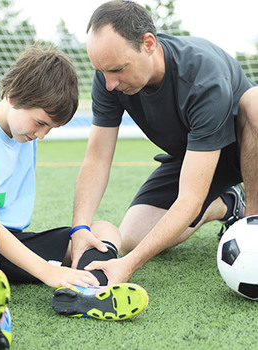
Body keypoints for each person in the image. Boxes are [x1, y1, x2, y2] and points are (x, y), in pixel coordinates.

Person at [0, 45, 148, 350]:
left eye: (50, 127)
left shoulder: (25, 135)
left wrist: (77, 239)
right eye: (41, 123)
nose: (43, 134)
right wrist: (48, 270)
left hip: (7, 244)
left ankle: (86, 292)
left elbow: (6, 231)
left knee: (100, 230)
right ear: (12, 97)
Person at [70, 0, 258, 286]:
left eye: (117, 70)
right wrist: (79, 228)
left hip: (244, 150)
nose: (109, 83)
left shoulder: (203, 77)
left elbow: (189, 199)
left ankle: (253, 221)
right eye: (102, 72)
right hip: (193, 156)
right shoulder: (107, 78)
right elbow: (96, 159)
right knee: (133, 235)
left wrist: (127, 266)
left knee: (255, 103)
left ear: (148, 44)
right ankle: (228, 203)